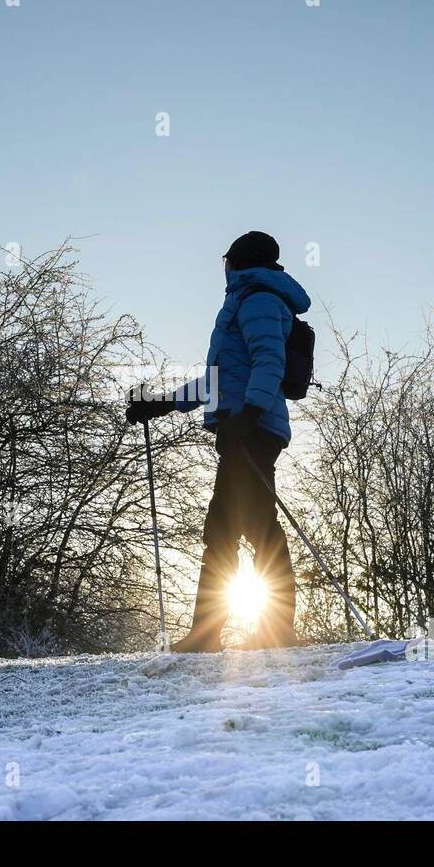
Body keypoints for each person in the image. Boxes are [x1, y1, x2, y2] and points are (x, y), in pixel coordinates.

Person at [126, 231, 309, 652]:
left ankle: (242, 634)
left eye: (226, 259)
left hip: (252, 430)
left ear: (239, 261)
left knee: (246, 529)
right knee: (238, 528)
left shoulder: (258, 299)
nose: (223, 267)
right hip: (243, 427)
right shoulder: (243, 301)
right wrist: (163, 405)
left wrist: (247, 415)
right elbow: (219, 379)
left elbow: (269, 361)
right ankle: (246, 633)